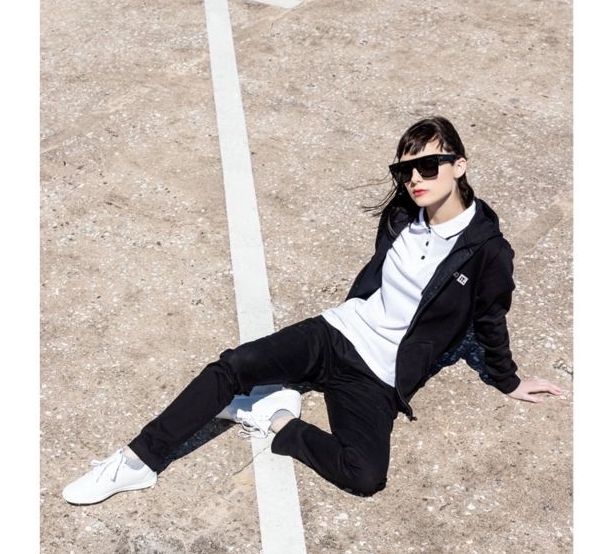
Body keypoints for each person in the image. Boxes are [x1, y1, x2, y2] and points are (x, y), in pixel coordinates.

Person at [62, 115, 563, 505]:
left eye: (429, 166)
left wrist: (508, 380)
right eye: (405, 170)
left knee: (365, 475)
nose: (415, 179)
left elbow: (490, 318)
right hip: (337, 333)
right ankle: (137, 462)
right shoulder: (401, 215)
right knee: (233, 365)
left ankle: (273, 415)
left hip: (378, 375)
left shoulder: (487, 251)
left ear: (460, 166)